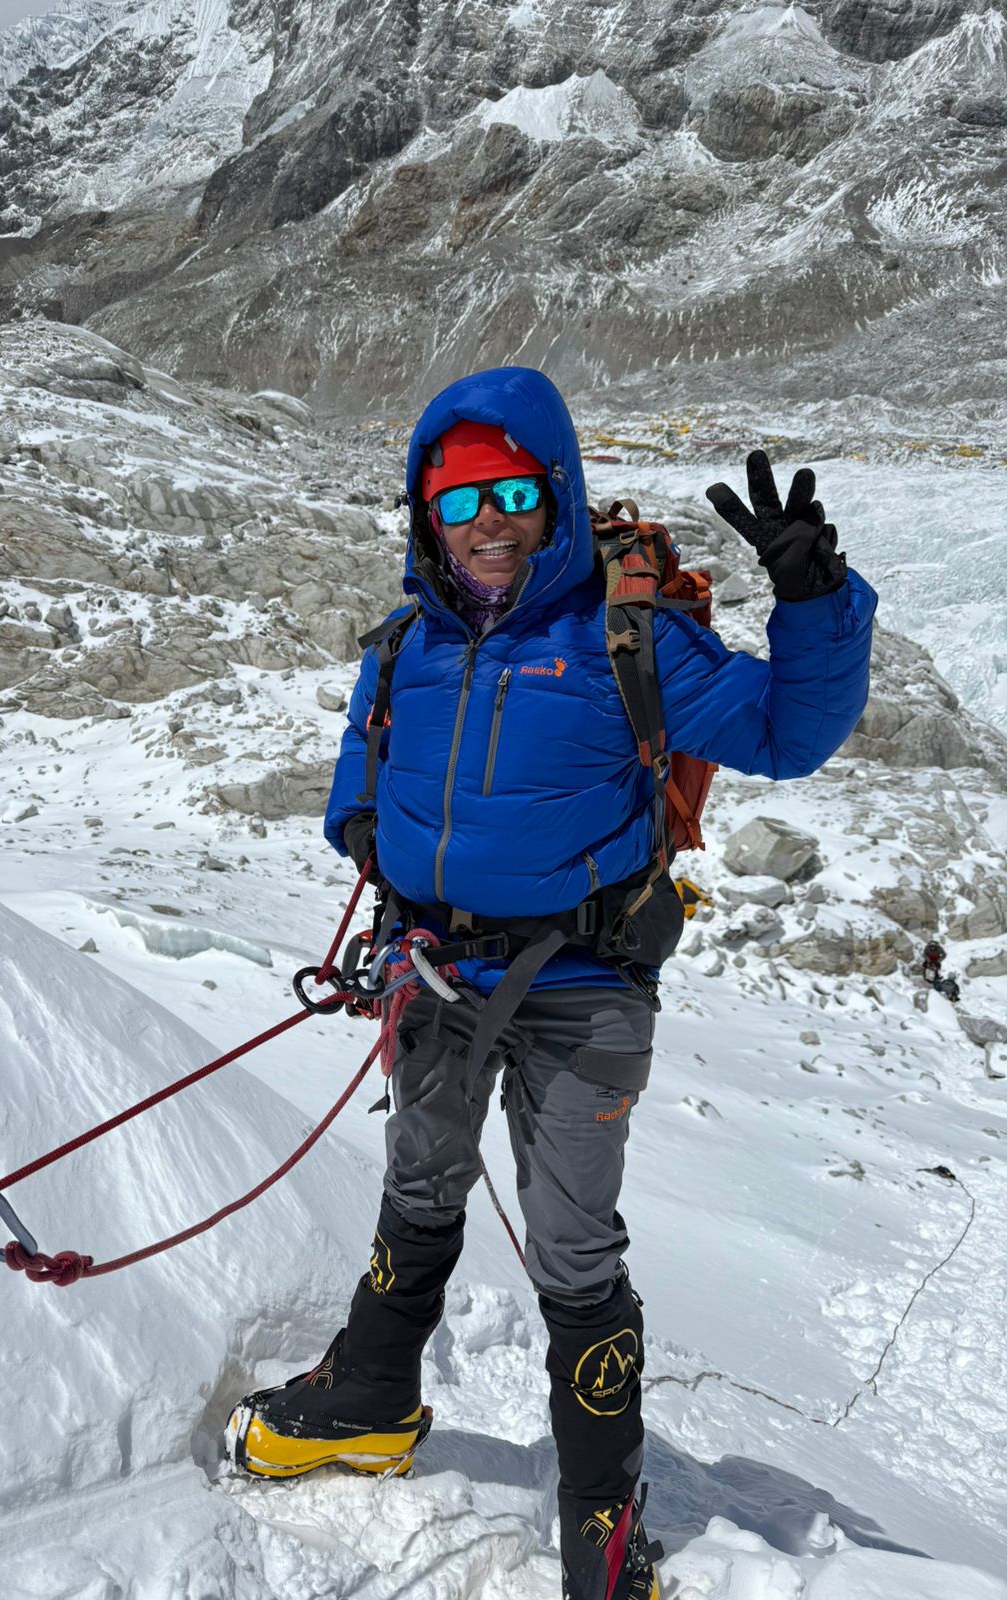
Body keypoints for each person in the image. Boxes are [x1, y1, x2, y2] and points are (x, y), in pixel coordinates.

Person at [226, 367, 877, 1600]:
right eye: (459, 501)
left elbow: (786, 733)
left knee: (573, 1245)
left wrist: (816, 599)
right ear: (426, 516)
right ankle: (372, 1395)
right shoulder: (406, 645)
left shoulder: (626, 638)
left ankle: (601, 1513)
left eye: (515, 495)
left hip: (583, 986)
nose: (488, 523)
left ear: (558, 498)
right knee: (419, 1184)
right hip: (434, 972)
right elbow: (362, 771)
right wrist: (371, 837)